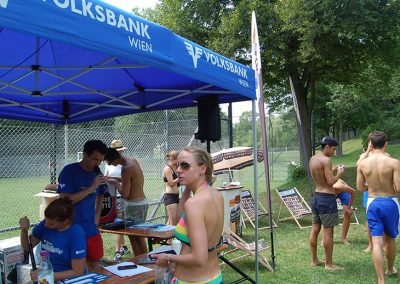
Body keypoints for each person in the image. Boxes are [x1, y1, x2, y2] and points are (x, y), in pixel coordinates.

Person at [153, 147, 224, 283]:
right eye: (177, 165)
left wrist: (168, 258)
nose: (178, 170)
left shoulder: (195, 203)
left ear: (202, 169)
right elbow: (180, 218)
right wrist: (187, 190)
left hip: (193, 280)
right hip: (213, 276)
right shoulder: (215, 194)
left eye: (185, 166)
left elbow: (199, 258)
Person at [356, 131, 400, 284]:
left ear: (371, 145)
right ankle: (390, 268)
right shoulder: (394, 162)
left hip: (373, 203)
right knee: (390, 238)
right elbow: (398, 187)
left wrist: (372, 186)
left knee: (376, 242)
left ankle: (381, 280)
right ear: (386, 144)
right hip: (390, 202)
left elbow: (360, 187)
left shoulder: (362, 163)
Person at [57, 139, 108, 263]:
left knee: (96, 263)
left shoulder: (97, 173)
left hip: (91, 228)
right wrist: (91, 188)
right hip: (71, 230)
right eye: (95, 159)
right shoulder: (69, 171)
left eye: (101, 161)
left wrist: (97, 216)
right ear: (85, 154)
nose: (98, 163)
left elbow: (101, 194)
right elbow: (65, 200)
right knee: (76, 267)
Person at [19, 198, 86, 282]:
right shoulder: (45, 224)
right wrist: (23, 230)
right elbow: (26, 247)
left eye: (51, 223)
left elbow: (78, 272)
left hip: (66, 280)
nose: (46, 225)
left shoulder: (76, 235)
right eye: (46, 220)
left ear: (65, 221)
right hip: (46, 276)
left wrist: (45, 276)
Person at [309, 136, 345, 271]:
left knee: (315, 230)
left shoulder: (313, 158)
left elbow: (321, 174)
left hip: (316, 197)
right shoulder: (326, 160)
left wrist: (333, 168)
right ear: (328, 147)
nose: (334, 152)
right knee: (328, 232)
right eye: (333, 149)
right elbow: (331, 182)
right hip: (326, 199)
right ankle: (329, 264)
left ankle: (314, 260)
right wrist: (339, 173)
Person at [105, 148, 148, 256]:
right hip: (139, 203)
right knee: (132, 235)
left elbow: (125, 194)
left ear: (114, 159)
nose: (112, 165)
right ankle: (138, 260)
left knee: (138, 236)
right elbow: (130, 179)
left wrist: (115, 183)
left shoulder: (126, 168)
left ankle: (144, 261)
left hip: (135, 205)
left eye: (110, 163)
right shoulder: (132, 161)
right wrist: (113, 178)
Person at [104, 139, 129, 261]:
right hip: (113, 197)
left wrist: (114, 179)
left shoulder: (126, 164)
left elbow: (127, 180)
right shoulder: (108, 164)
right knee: (118, 223)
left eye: (120, 151)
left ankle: (117, 251)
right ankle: (124, 247)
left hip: (123, 196)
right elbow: (106, 176)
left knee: (119, 223)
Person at [333, 179, 356, 245]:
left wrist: (349, 207)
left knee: (348, 213)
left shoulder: (340, 186)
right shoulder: (325, 188)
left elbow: (353, 192)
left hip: (343, 192)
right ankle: (325, 238)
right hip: (330, 193)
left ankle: (343, 238)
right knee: (327, 215)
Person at [163, 151, 180, 226]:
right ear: (172, 159)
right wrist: (180, 177)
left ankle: (166, 238)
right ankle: (171, 237)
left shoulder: (174, 168)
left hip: (176, 196)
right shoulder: (167, 168)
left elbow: (177, 184)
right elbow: (171, 183)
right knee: (174, 221)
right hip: (170, 197)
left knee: (170, 220)